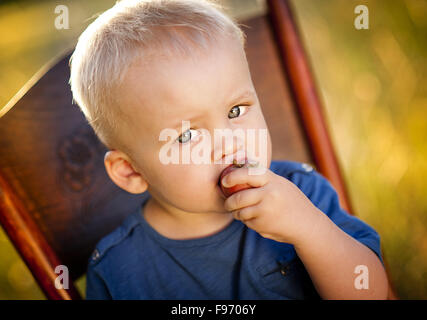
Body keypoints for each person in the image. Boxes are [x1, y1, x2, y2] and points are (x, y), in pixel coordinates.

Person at [69, 0, 388, 299]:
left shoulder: (301, 192)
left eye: (236, 110)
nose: (229, 143)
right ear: (131, 171)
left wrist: (309, 230)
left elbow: (371, 292)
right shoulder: (120, 270)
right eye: (187, 135)